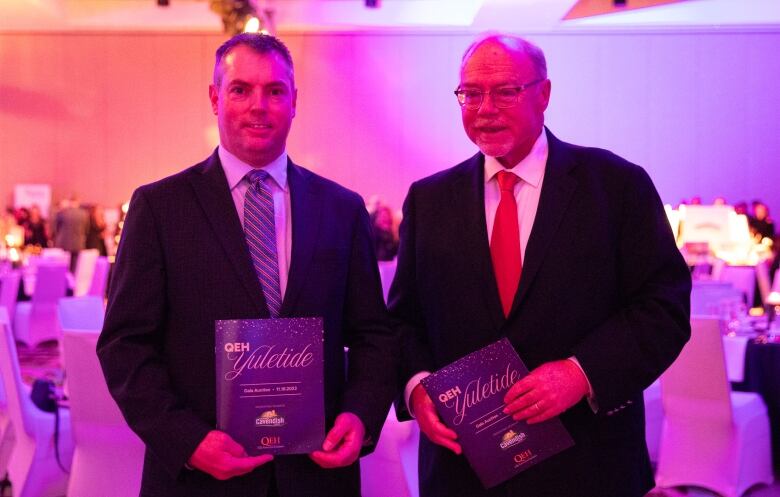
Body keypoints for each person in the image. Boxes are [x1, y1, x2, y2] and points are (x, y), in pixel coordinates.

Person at [389, 34, 691, 497]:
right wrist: (416, 387)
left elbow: (664, 307)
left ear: (544, 94)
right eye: (471, 93)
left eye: (506, 90)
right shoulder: (429, 200)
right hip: (463, 470)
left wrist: (581, 372)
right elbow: (404, 321)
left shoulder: (616, 186)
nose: (484, 107)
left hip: (588, 465)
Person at [97, 33, 398, 497]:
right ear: (216, 98)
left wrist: (361, 414)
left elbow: (373, 335)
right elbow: (124, 345)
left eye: (275, 91)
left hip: (316, 477)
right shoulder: (159, 207)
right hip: (200, 479)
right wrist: (187, 441)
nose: (259, 105)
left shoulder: (342, 208)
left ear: (294, 101)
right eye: (241, 89)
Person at [54, 196, 89, 270]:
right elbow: (86, 229)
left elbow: (56, 227)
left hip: (64, 243)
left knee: (64, 265)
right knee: (74, 266)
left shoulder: (63, 213)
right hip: (78, 243)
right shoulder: (84, 214)